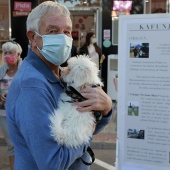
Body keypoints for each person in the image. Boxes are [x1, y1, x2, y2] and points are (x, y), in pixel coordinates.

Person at [6, 1, 112, 170]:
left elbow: (81, 123)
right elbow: (53, 163)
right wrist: (86, 133)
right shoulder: (32, 87)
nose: (63, 38)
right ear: (33, 37)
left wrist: (105, 108)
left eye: (67, 31)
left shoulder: (62, 75)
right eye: (53, 31)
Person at [0, 41, 22, 170]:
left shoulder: (25, 70)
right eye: (5, 53)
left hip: (21, 113)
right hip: (4, 113)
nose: (8, 55)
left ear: (18, 55)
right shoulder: (1, 70)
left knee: (23, 142)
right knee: (11, 144)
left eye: (11, 53)